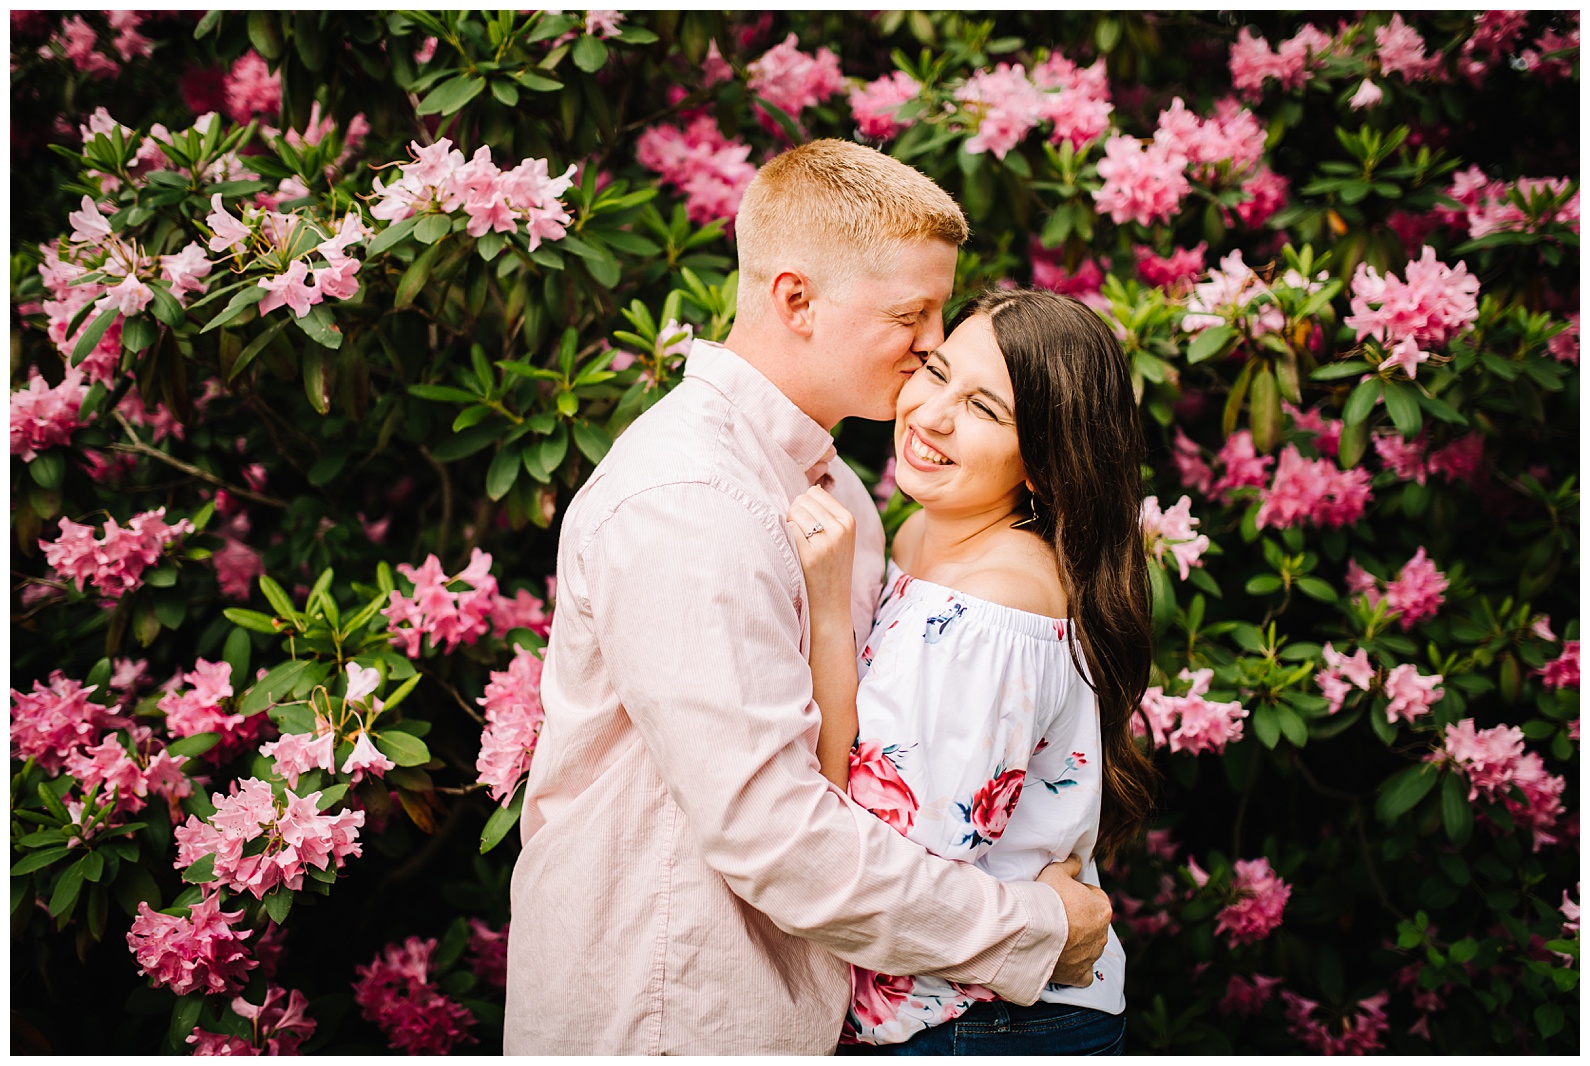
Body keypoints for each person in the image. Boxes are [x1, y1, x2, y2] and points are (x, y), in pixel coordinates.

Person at [502, 140, 1113, 1055]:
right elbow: (774, 831)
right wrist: (1036, 930)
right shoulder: (691, 502)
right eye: (912, 313)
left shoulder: (840, 489)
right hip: (671, 1013)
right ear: (796, 300)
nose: (933, 344)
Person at [786, 288, 1156, 1055]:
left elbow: (877, 850)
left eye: (986, 409)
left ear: (1047, 468)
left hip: (988, 1021)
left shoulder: (992, 605)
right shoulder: (930, 526)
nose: (931, 414)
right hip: (954, 1005)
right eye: (936, 370)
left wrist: (826, 612)